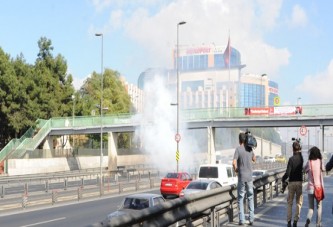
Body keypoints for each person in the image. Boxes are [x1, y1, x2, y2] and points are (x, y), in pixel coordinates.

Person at [233, 132, 256, 226]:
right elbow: (254, 159)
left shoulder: (238, 149)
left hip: (242, 177)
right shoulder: (250, 148)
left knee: (241, 198)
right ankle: (251, 219)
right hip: (249, 177)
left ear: (239, 140)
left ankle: (241, 220)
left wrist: (237, 170)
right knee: (250, 197)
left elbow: (234, 163)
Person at [282, 139, 304, 227]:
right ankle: (295, 220)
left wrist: (283, 179)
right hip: (299, 183)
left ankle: (288, 222)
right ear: (299, 148)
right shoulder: (301, 158)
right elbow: (300, 154)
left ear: (292, 149)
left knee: (289, 203)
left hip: (291, 183)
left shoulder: (291, 159)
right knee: (299, 203)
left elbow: (287, 173)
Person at [303, 146, 325, 227]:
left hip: (310, 188)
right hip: (318, 188)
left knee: (311, 208)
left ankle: (308, 219)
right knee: (319, 206)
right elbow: (324, 169)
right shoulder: (320, 162)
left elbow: (304, 170)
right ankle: (318, 224)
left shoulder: (309, 162)